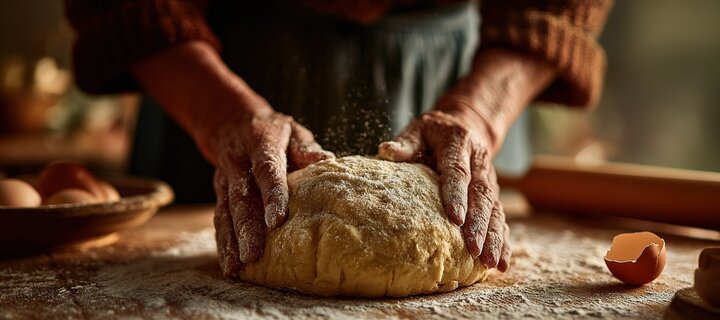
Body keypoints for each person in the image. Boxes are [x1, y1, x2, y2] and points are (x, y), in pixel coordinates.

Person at [63, 0, 612, 276]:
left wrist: (479, 114)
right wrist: (220, 114)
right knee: (249, 231)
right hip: (207, 70)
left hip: (470, 70)